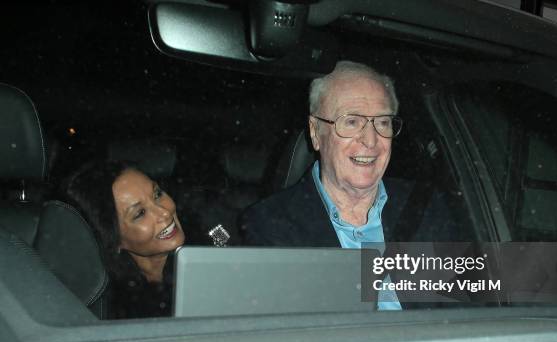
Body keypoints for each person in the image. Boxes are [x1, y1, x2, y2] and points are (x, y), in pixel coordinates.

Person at [240, 61, 460, 309]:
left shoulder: (427, 207)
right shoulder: (269, 225)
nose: (370, 140)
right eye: (352, 121)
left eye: (383, 122)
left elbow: (471, 309)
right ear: (315, 132)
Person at [66, 160, 186, 318]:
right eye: (140, 213)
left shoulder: (216, 244)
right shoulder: (108, 305)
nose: (164, 212)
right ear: (113, 239)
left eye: (157, 194)